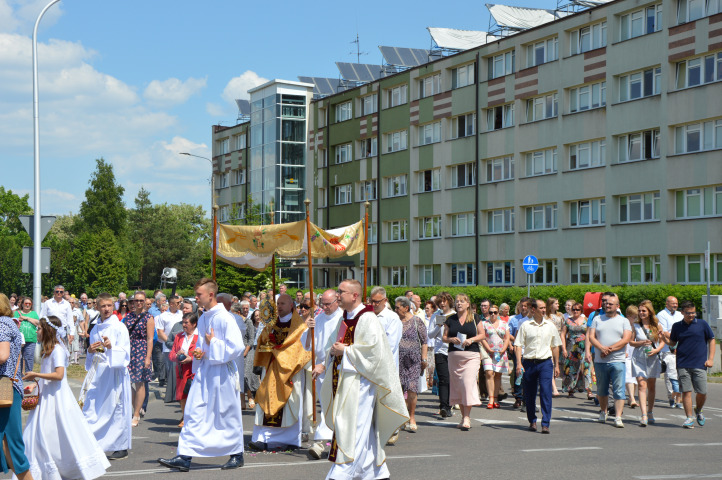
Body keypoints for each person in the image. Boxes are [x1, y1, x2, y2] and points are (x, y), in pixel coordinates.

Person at [321, 279, 408, 480]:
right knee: (361, 429)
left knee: (351, 428)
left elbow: (375, 354)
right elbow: (333, 344)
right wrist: (331, 352)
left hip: (360, 385)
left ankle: (341, 472)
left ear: (354, 295)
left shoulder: (368, 319)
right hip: (343, 382)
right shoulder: (345, 317)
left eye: (341, 291)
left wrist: (346, 351)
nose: (337, 295)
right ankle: (375, 472)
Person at [157, 278, 246, 472]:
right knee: (193, 411)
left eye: (199, 295)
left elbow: (237, 347)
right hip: (205, 371)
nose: (196, 298)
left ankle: (237, 454)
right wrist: (199, 352)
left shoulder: (225, 317)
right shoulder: (204, 317)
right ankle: (184, 456)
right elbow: (201, 345)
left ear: (211, 295)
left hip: (222, 373)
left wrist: (213, 343)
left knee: (225, 414)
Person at [21, 315, 110, 480]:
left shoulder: (58, 350)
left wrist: (36, 374)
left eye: (39, 329)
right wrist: (36, 383)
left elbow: (59, 375)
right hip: (46, 395)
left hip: (56, 397)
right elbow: (48, 373)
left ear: (47, 331)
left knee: (58, 430)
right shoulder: (48, 351)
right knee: (39, 432)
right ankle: (40, 465)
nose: (36, 331)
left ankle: (65, 465)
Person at [249, 294, 312, 452]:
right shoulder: (271, 323)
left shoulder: (300, 327)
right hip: (271, 368)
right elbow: (262, 342)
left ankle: (291, 439)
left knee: (291, 403)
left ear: (291, 305)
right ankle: (263, 438)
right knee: (266, 400)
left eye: (282, 303)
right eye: (278, 303)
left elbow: (302, 349)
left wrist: (281, 353)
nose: (279, 306)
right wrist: (266, 338)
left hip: (290, 370)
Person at [79, 292, 132, 461]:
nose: (106, 309)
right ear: (97, 307)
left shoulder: (119, 327)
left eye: (109, 305)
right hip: (98, 372)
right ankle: (93, 443)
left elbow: (125, 352)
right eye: (103, 306)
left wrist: (111, 347)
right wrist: (90, 350)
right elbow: (91, 353)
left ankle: (120, 446)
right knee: (93, 407)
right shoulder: (95, 328)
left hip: (113, 372)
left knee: (115, 408)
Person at [301, 289, 343, 460]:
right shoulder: (318, 318)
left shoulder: (342, 318)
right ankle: (328, 441)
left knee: (335, 405)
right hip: (320, 366)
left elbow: (338, 346)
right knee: (325, 404)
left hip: (336, 366)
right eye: (322, 304)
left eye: (328, 304)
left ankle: (321, 442)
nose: (324, 307)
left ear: (337, 301)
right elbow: (307, 345)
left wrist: (325, 365)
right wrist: (309, 329)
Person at [661, 300, 716, 429]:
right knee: (686, 391)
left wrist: (711, 359)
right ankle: (689, 418)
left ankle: (699, 410)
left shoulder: (702, 324)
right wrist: (663, 339)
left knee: (702, 392)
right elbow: (673, 343)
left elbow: (711, 339)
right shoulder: (677, 326)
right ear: (682, 313)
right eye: (688, 313)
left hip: (700, 363)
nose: (691, 315)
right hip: (682, 363)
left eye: (693, 313)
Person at [514, 298, 561, 434]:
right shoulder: (525, 325)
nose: (544, 310)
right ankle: (532, 421)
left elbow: (555, 346)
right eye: (541, 308)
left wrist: (557, 365)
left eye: (545, 308)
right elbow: (518, 345)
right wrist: (519, 363)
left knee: (546, 392)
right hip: (529, 362)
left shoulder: (550, 325)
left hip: (545, 362)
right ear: (533, 310)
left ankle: (545, 423)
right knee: (530, 394)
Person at [0, 294, 33, 480]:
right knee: (8, 444)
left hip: (5, 388)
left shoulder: (2, 324)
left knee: (12, 445)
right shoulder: (9, 322)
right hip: (8, 386)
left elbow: (2, 355)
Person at [587, 294, 632, 428]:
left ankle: (618, 416)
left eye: (610, 304)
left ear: (617, 306)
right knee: (601, 389)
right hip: (600, 360)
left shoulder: (624, 321)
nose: (607, 305)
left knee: (619, 390)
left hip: (618, 360)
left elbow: (626, 339)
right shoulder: (597, 319)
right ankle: (603, 411)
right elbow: (591, 336)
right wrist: (601, 348)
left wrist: (609, 349)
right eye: (606, 303)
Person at [443, 293, 484, 431]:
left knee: (467, 383)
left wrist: (471, 340)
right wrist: (451, 339)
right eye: (457, 301)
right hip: (454, 356)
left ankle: (467, 417)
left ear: (468, 304)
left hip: (471, 355)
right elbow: (444, 337)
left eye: (462, 301)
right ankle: (463, 416)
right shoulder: (450, 319)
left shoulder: (475, 318)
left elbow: (482, 335)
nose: (459, 303)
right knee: (458, 387)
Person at [394, 296, 428, 432]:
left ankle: (412, 417)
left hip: (414, 361)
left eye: (397, 307)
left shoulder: (416, 321)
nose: (395, 310)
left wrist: (424, 359)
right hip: (398, 361)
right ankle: (402, 417)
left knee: (412, 388)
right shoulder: (395, 321)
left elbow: (424, 341)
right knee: (399, 389)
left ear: (406, 308)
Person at [629, 300, 664, 426]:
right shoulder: (636, 325)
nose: (641, 313)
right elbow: (631, 342)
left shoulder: (657, 325)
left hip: (652, 357)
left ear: (649, 312)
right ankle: (643, 414)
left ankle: (650, 411)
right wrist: (641, 343)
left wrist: (657, 350)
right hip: (639, 357)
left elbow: (663, 341)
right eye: (639, 311)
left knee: (651, 386)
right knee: (641, 384)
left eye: (644, 311)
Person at [122, 291, 154, 427]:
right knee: (126, 382)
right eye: (136, 300)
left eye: (141, 300)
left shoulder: (149, 317)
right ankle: (136, 408)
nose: (138, 303)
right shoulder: (128, 317)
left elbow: (150, 339)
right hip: (129, 350)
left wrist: (148, 357)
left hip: (141, 350)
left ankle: (136, 414)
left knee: (139, 382)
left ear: (145, 301)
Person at [168, 312, 198, 428]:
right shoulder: (179, 336)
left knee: (194, 396)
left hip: (195, 370)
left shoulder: (200, 336)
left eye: (186, 323)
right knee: (183, 396)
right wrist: (177, 355)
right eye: (183, 322)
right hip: (181, 370)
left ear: (194, 324)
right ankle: (185, 417)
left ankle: (194, 418)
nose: (184, 325)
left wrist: (191, 358)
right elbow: (171, 355)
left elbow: (204, 353)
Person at [428, 292, 455, 418]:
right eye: (440, 302)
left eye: (444, 301)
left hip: (454, 351)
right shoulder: (436, 315)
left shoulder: (455, 315)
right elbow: (430, 335)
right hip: (440, 351)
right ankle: (444, 407)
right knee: (444, 379)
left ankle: (450, 404)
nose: (442, 304)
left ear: (449, 302)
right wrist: (439, 325)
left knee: (453, 380)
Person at [657, 296, 684, 407]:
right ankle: (672, 397)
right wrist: (677, 338)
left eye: (676, 303)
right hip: (667, 350)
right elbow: (664, 331)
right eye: (673, 303)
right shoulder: (661, 315)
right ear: (667, 304)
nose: (675, 305)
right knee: (670, 375)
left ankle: (678, 399)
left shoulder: (680, 315)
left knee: (680, 374)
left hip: (681, 348)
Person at [481, 305, 509, 409]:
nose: (493, 314)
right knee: (489, 373)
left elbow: (507, 338)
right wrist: (488, 349)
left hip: (500, 353)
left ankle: (496, 398)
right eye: (491, 312)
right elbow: (482, 337)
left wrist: (503, 349)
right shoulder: (484, 323)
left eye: (495, 312)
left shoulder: (504, 324)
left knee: (497, 375)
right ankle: (491, 398)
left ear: (498, 313)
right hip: (488, 352)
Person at [560, 302, 591, 398]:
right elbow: (562, 334)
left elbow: (589, 334)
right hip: (571, 348)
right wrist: (564, 349)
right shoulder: (568, 321)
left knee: (586, 368)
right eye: (573, 309)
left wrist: (589, 349)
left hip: (584, 347)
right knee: (571, 369)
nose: (575, 311)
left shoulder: (586, 320)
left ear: (581, 311)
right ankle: (570, 389)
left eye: (578, 309)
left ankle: (589, 391)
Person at [156, 295, 183, 401]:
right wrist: (170, 343)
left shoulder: (182, 314)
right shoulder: (163, 316)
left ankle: (180, 393)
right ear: (171, 304)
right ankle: (172, 394)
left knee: (181, 370)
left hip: (182, 347)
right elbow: (160, 332)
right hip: (168, 348)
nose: (180, 304)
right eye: (178, 303)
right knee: (170, 370)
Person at [13, 297, 39, 374]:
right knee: (18, 358)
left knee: (29, 357)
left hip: (31, 339)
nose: (27, 305)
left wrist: (26, 318)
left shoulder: (34, 313)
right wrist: (18, 319)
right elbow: (12, 323)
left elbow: (37, 323)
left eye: (29, 304)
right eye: (26, 303)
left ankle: (28, 374)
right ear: (22, 304)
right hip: (18, 339)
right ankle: (18, 374)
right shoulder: (16, 313)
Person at [546, 298, 564, 397]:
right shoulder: (546, 316)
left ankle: (551, 384)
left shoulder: (560, 315)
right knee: (551, 363)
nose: (558, 305)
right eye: (556, 303)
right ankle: (554, 388)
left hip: (558, 341)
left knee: (558, 364)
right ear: (550, 305)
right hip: (549, 341)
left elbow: (563, 328)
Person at [244, 309, 261, 409]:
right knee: (250, 373)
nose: (258, 317)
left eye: (259, 315)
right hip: (252, 350)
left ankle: (259, 395)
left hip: (262, 350)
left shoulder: (264, 326)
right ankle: (251, 395)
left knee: (260, 374)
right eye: (256, 315)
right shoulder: (251, 326)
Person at [624, 306, 639, 409]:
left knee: (636, 377)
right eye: (634, 317)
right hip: (627, 353)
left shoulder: (637, 326)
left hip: (636, 353)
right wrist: (624, 351)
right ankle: (632, 398)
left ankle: (631, 397)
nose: (636, 319)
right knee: (629, 375)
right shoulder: (624, 325)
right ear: (628, 316)